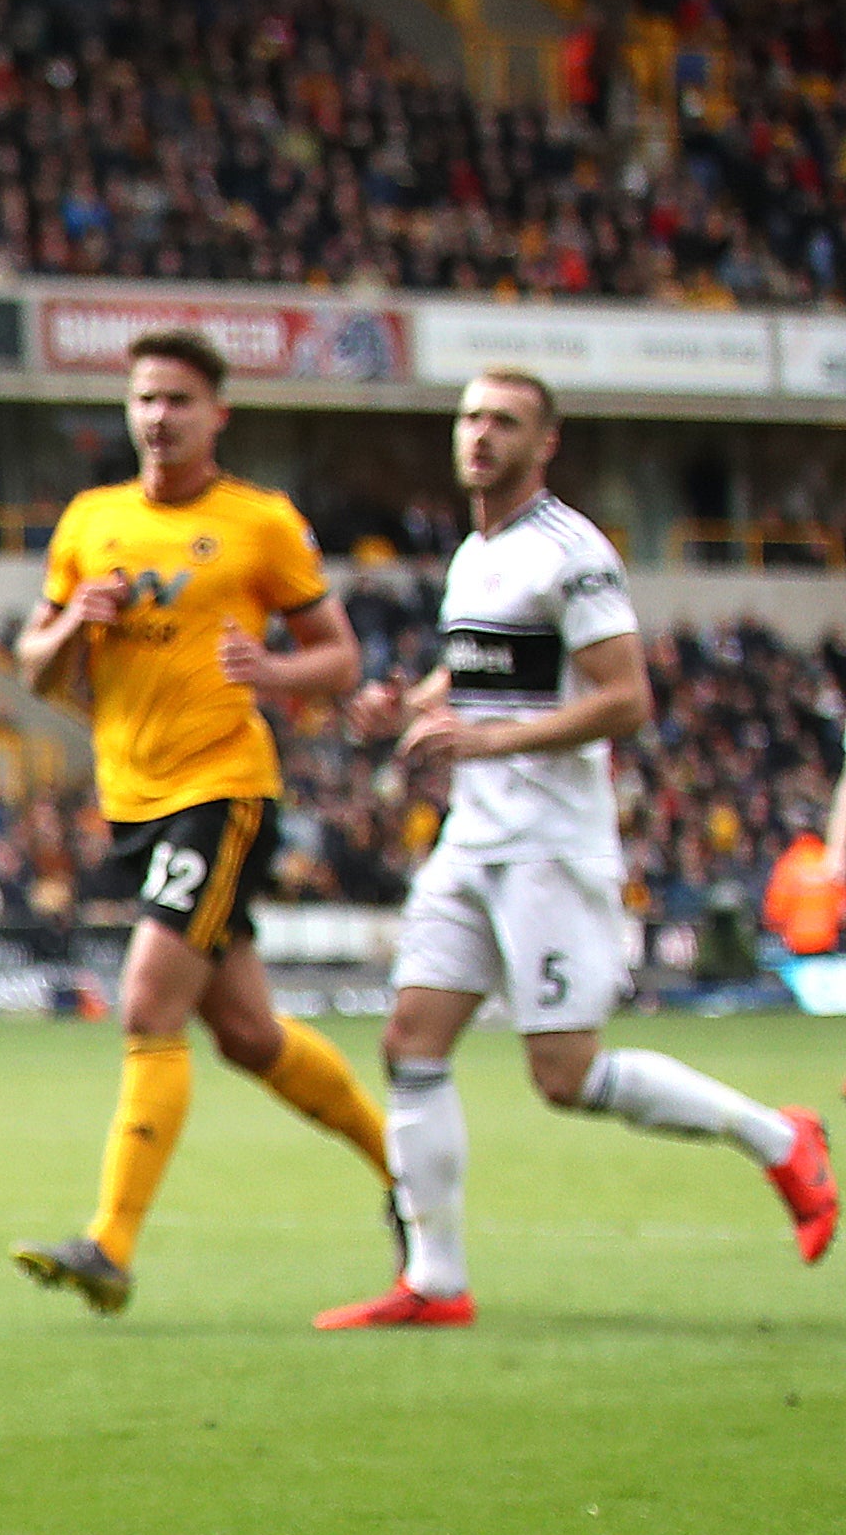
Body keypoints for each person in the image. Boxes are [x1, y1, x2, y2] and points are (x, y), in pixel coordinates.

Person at [317, 371, 831, 1326]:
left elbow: (625, 698)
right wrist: (414, 705)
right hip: (475, 838)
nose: (479, 435)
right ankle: (435, 1282)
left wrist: (486, 740)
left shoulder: (573, 553)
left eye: (503, 422)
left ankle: (780, 1139)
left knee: (565, 1075)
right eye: (470, 417)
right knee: (411, 1042)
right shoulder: (477, 551)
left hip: (552, 846)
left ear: (545, 443)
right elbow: (479, 668)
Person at [6, 329, 393, 1314]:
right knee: (251, 1036)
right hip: (130, 800)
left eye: (179, 399)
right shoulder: (91, 521)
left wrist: (275, 675)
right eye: (144, 399)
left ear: (217, 414)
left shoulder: (259, 522)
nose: (159, 417)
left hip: (221, 793)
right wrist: (69, 626)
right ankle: (406, 1171)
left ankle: (109, 1244)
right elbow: (35, 669)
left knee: (146, 1004)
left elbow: (338, 660)